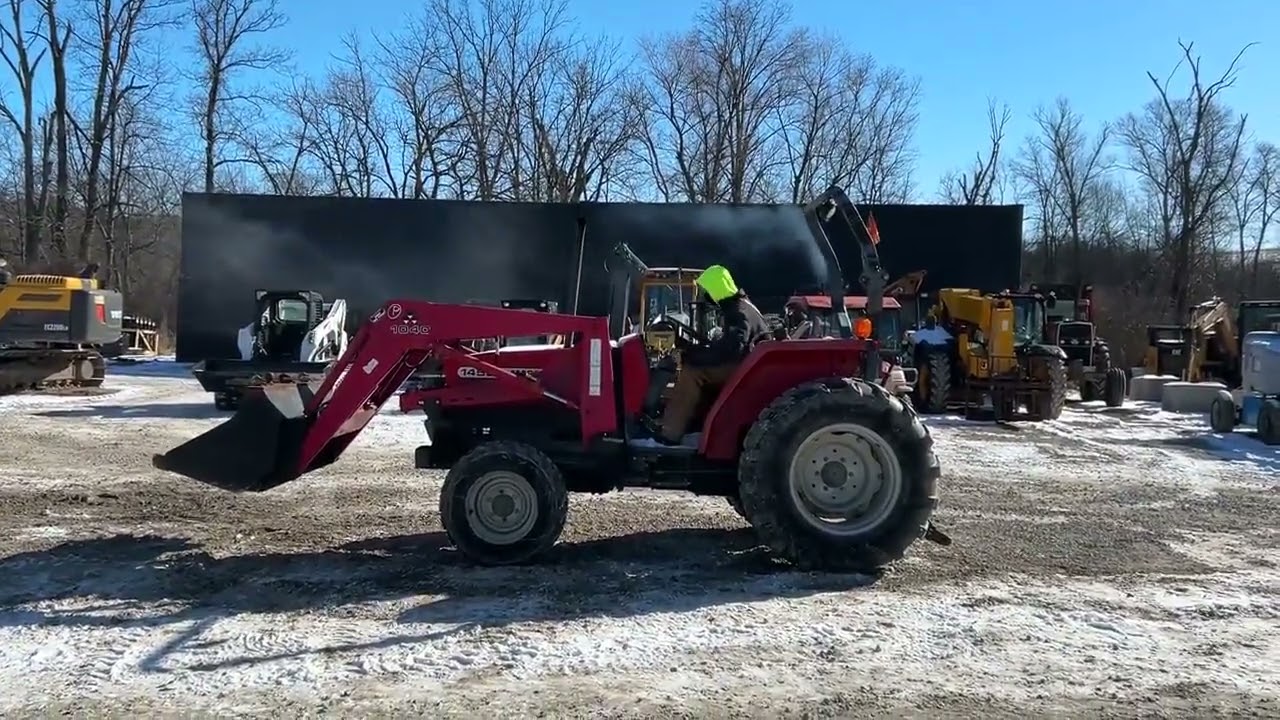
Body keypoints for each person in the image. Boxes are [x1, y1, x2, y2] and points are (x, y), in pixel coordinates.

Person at [657, 264, 768, 445]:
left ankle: (670, 432)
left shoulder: (738, 312)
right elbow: (728, 345)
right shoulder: (743, 306)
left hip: (744, 368)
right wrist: (701, 350)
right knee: (696, 364)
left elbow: (732, 349)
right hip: (748, 364)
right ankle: (693, 423)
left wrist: (696, 357)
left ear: (717, 289)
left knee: (692, 372)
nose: (705, 295)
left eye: (707, 290)